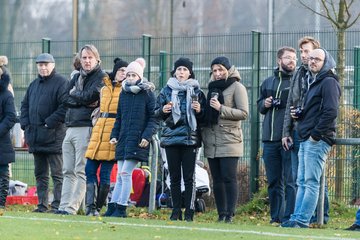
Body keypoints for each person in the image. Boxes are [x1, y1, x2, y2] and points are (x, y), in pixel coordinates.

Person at [281, 48, 341, 228]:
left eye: (317, 59)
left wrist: (316, 134)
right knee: (301, 181)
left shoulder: (329, 82)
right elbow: (315, 110)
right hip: (305, 136)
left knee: (311, 182)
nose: (312, 61)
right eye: (311, 58)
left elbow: (331, 111)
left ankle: (302, 220)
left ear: (326, 62)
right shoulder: (314, 81)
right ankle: (296, 218)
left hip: (317, 139)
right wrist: (300, 115)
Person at [56, 45, 106, 215]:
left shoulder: (102, 77)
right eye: (84, 58)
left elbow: (90, 97)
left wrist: (75, 95)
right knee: (67, 170)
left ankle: (72, 207)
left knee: (80, 169)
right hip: (70, 127)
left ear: (97, 59)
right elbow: (64, 99)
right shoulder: (76, 77)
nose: (86, 61)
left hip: (86, 126)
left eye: (90, 58)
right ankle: (63, 206)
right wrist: (80, 98)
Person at [155, 57, 206, 222]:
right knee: (174, 177)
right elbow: (156, 113)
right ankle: (175, 210)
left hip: (190, 140)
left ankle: (190, 212)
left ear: (190, 72)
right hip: (170, 139)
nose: (181, 72)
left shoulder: (197, 92)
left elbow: (205, 118)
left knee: (189, 178)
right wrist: (163, 110)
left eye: (185, 69)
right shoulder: (166, 91)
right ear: (174, 72)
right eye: (179, 69)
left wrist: (199, 111)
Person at [201, 56, 248, 223]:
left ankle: (230, 213)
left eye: (221, 69)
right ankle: (221, 214)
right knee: (217, 179)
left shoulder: (237, 87)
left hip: (230, 139)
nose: (218, 73)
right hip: (211, 139)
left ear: (228, 70)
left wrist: (221, 108)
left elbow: (243, 113)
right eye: (214, 70)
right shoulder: (211, 87)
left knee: (229, 177)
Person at [109, 58, 158, 218]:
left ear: (139, 76)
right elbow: (119, 118)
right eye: (128, 74)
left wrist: (146, 136)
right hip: (123, 140)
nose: (129, 78)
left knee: (125, 173)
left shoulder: (147, 93)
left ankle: (121, 207)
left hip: (137, 141)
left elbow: (154, 117)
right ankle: (112, 206)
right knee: (120, 175)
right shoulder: (124, 93)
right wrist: (114, 135)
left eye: (133, 75)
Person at [20, 53, 67, 213]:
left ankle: (58, 205)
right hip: (36, 137)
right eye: (40, 64)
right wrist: (25, 124)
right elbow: (24, 105)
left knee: (57, 174)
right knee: (40, 175)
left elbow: (64, 107)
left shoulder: (61, 82)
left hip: (54, 137)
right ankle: (42, 205)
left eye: (46, 64)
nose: (43, 67)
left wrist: (49, 122)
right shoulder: (33, 85)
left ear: (53, 65)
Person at [84, 58, 128, 216]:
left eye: (126, 71)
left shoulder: (127, 89)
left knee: (105, 174)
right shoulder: (104, 88)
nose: (123, 73)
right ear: (115, 71)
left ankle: (97, 207)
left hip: (113, 133)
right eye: (121, 70)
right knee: (89, 169)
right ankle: (89, 207)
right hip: (98, 131)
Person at [257, 47, 297, 224]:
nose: (292, 61)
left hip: (288, 139)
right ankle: (276, 218)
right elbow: (259, 108)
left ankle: (289, 217)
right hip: (269, 140)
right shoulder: (267, 83)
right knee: (274, 183)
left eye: (294, 58)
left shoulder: (297, 82)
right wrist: (265, 103)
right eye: (288, 58)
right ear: (278, 60)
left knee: (291, 181)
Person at [0, 69, 16, 215]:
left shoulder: (6, 94)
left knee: (3, 172)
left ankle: (0, 204)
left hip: (1, 140)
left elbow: (11, 117)